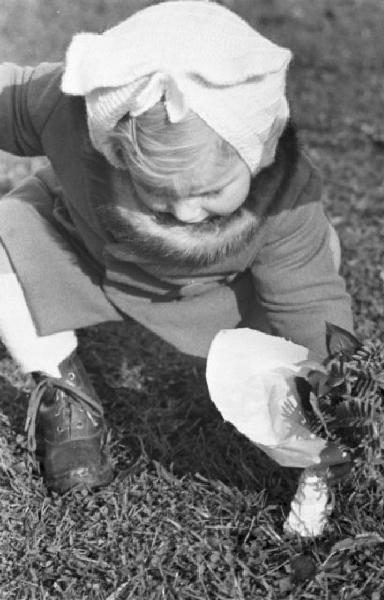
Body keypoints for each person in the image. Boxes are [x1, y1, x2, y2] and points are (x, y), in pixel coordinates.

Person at [0, 0, 353, 493]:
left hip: (215, 296)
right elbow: (8, 95)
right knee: (7, 238)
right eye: (158, 193)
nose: (187, 212)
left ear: (257, 153)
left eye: (211, 192)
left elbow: (310, 299)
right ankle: (62, 382)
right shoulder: (73, 108)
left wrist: (339, 396)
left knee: (319, 256)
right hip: (87, 259)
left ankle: (285, 393)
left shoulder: (283, 192)